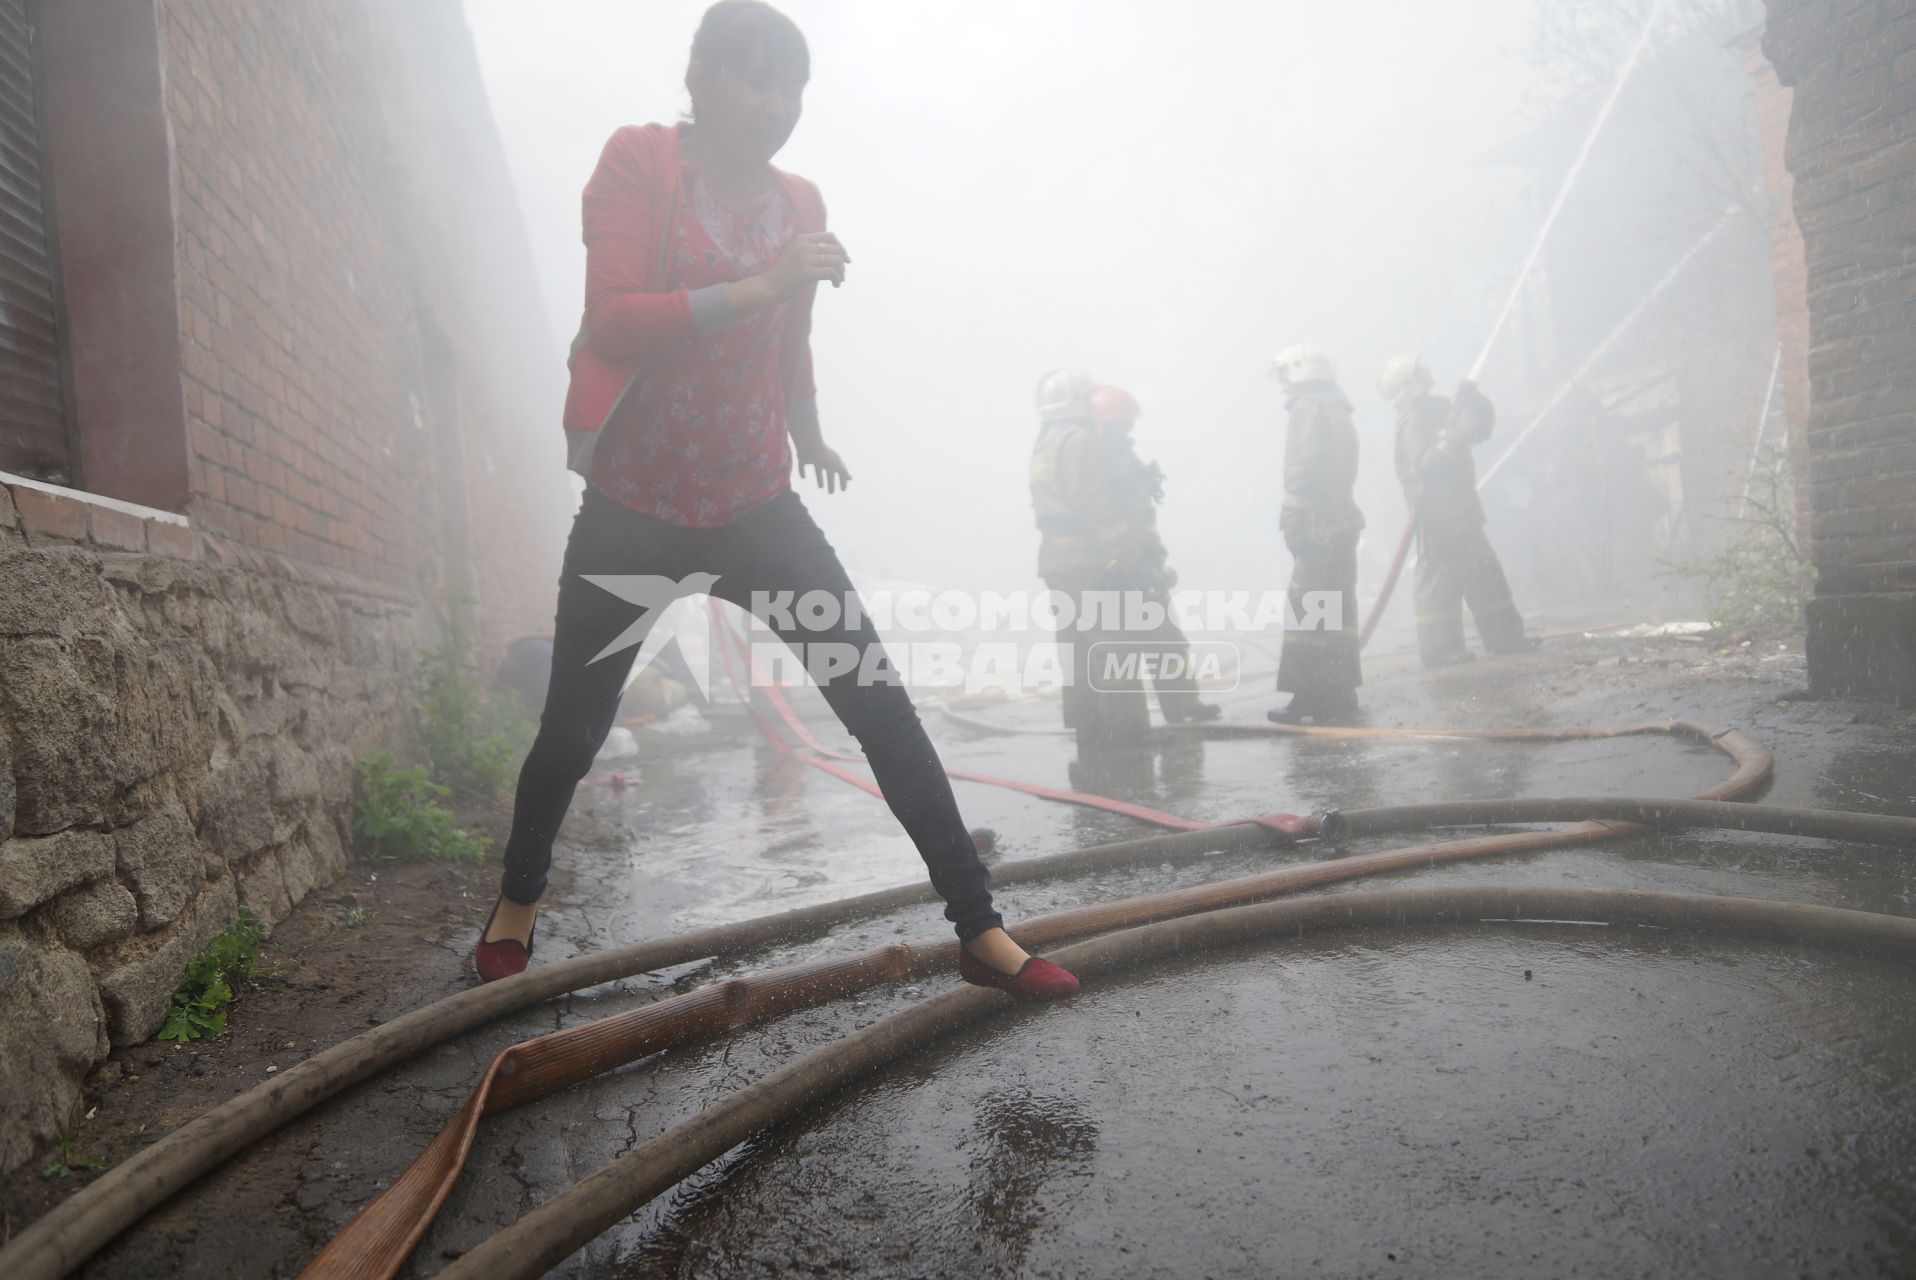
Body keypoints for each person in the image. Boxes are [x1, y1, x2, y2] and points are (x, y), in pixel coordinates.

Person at [477, 1, 1076, 1002]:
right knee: (573, 730)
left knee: (878, 707)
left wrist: (808, 433)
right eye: (754, 79)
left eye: (791, 86)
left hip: (756, 508)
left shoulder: (797, 199)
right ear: (701, 78)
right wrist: (762, 283)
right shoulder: (638, 162)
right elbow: (614, 319)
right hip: (635, 508)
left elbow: (790, 338)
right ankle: (516, 899)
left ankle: (979, 927)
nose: (775, 104)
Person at [1028, 374, 1218, 746]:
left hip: (1062, 560)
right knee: (1115, 646)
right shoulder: (1080, 442)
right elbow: (1095, 503)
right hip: (1094, 558)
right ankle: (1127, 731)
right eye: (1119, 423)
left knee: (1082, 647)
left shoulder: (1048, 442)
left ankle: (1091, 725)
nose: (1125, 430)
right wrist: (1122, 555)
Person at [1376, 353, 1531, 667]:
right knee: (1438, 586)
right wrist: (1454, 437)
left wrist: (1475, 405)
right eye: (1421, 369)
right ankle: (1440, 651)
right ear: (1409, 383)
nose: (1428, 369)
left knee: (1485, 575)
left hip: (1461, 511)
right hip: (1435, 518)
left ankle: (1506, 638)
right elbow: (1428, 465)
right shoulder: (1412, 423)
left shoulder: (1437, 408)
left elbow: (1479, 432)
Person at [1266, 345, 1363, 724]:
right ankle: (1340, 693)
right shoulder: (1337, 406)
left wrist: (1291, 516)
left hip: (1316, 524)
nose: (1283, 385)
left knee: (1308, 612)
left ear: (1300, 371)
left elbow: (1303, 466)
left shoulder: (1308, 407)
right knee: (1335, 611)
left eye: (1285, 375)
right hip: (1340, 522)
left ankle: (1308, 698)